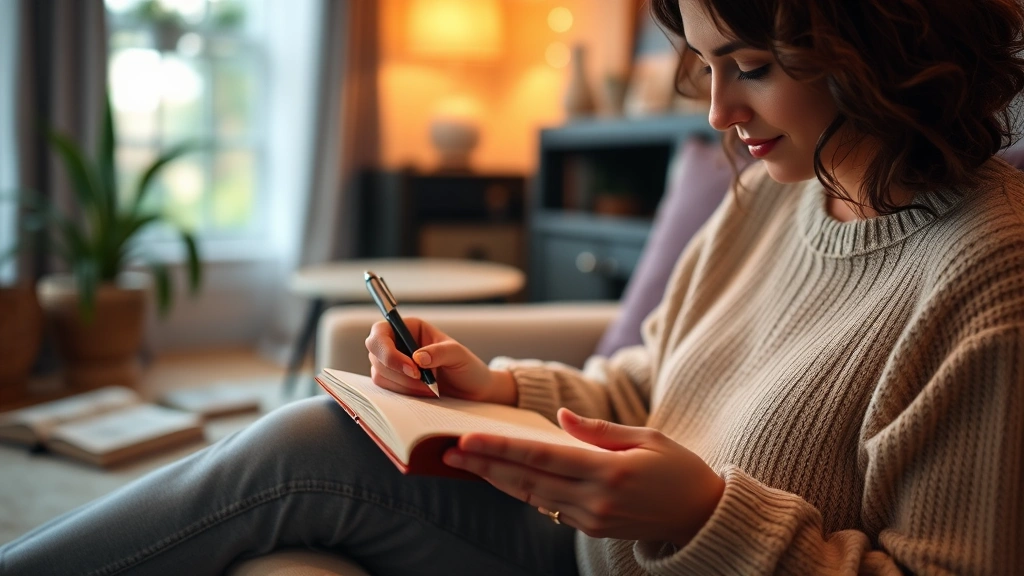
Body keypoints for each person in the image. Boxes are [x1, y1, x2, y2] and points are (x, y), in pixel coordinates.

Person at [3, 0, 1024, 573]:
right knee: (310, 436)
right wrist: (496, 391)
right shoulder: (779, 192)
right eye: (704, 63)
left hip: (634, 563)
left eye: (750, 64)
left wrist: (700, 516)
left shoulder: (988, 278)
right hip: (587, 544)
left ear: (882, 50)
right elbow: (641, 382)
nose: (717, 110)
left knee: (293, 459)